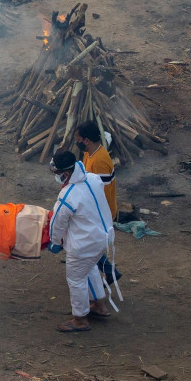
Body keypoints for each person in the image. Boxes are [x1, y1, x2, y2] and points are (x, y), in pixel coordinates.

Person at [48, 151, 116, 333]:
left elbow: (57, 222)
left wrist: (54, 241)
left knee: (76, 278)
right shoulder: (93, 179)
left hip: (84, 244)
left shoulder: (67, 195)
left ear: (66, 173)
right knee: (90, 268)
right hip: (103, 238)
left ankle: (80, 319)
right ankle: (99, 305)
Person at [74, 121, 122, 285]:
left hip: (102, 211)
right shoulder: (89, 154)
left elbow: (101, 194)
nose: (78, 142)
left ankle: (110, 272)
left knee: (90, 246)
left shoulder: (100, 161)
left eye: (79, 139)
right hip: (95, 209)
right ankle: (110, 272)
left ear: (86, 140)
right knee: (89, 245)